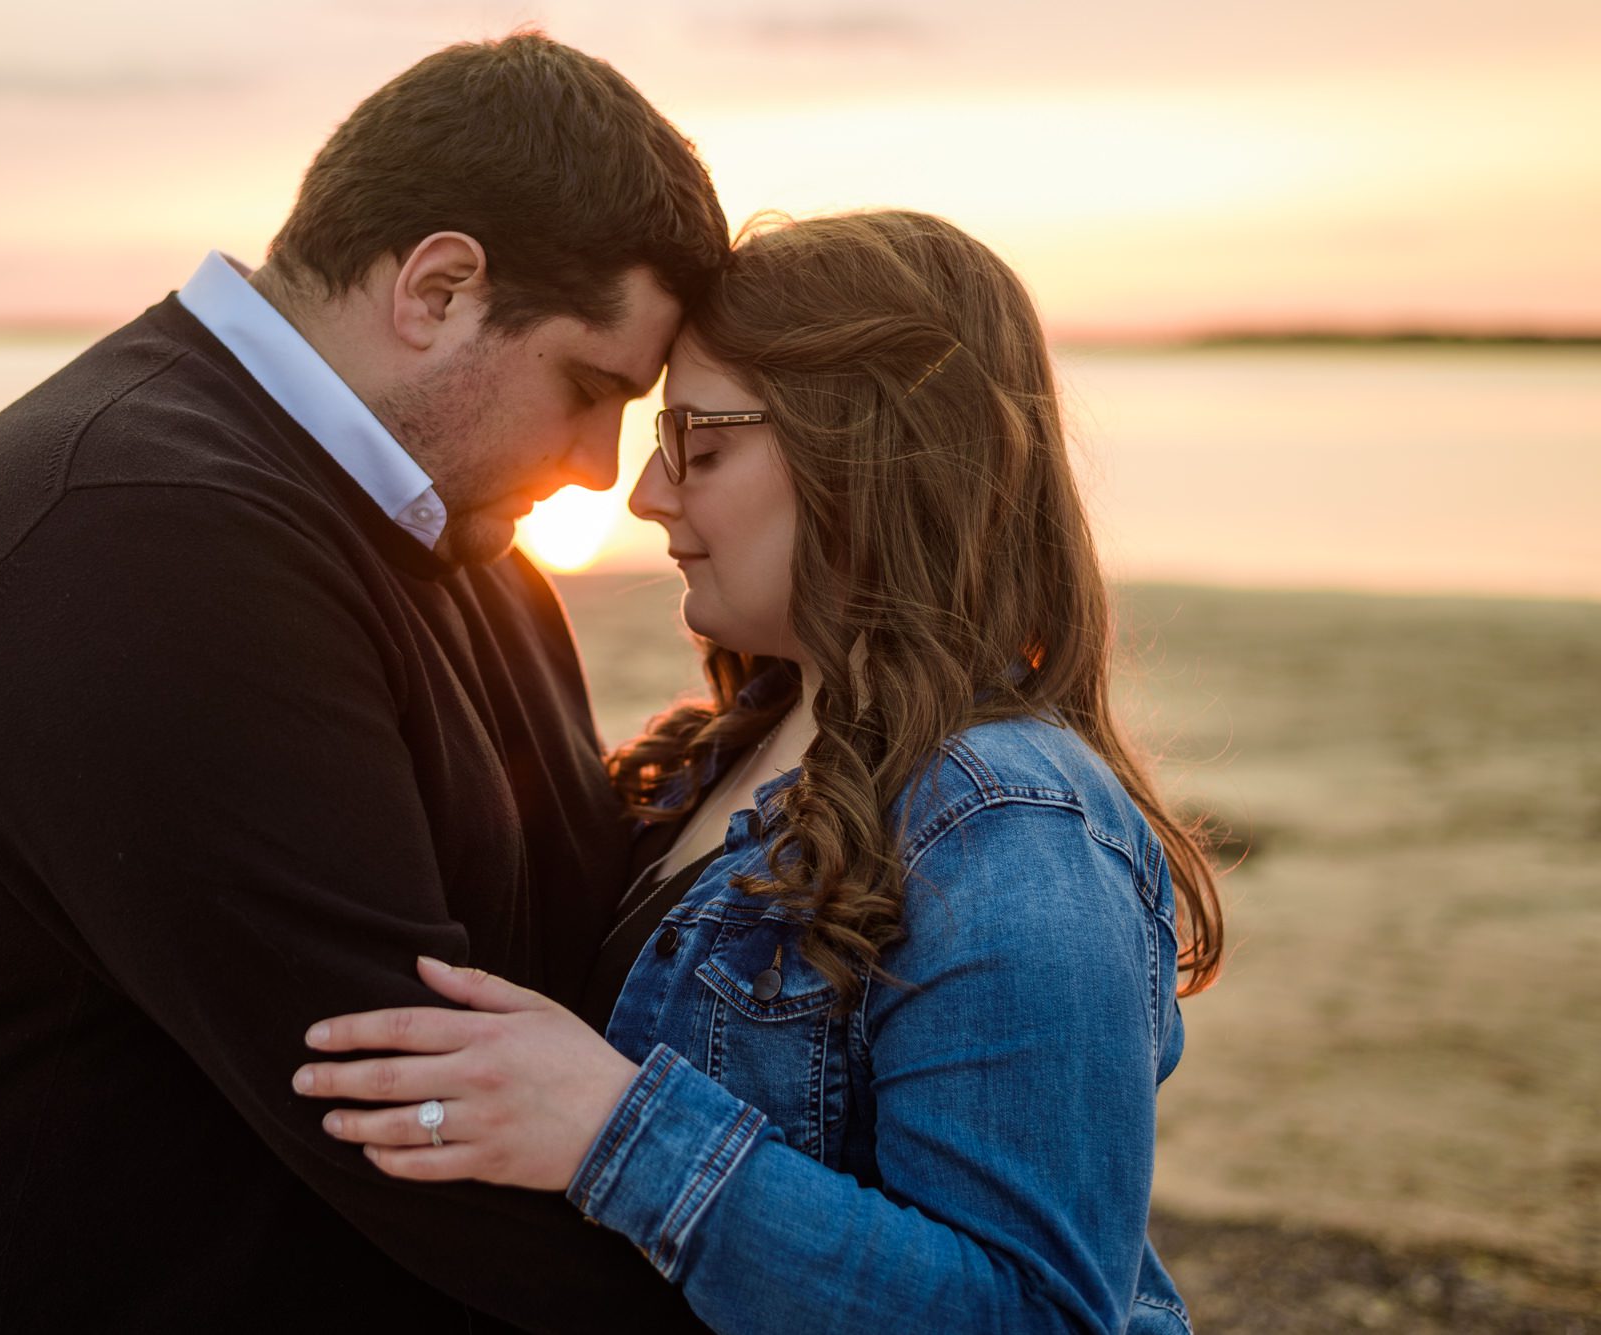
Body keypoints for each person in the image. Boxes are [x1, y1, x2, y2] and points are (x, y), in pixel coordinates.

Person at [0, 35, 730, 1333]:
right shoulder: (135, 528)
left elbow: (554, 969)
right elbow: (407, 1111)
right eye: (590, 387)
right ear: (438, 288)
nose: (602, 466)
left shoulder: (461, 553)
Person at [293, 210, 1226, 1334]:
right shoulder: (735, 745)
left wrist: (613, 1134)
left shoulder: (1006, 820)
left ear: (861, 450)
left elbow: (1031, 1315)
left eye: (699, 442)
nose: (643, 494)